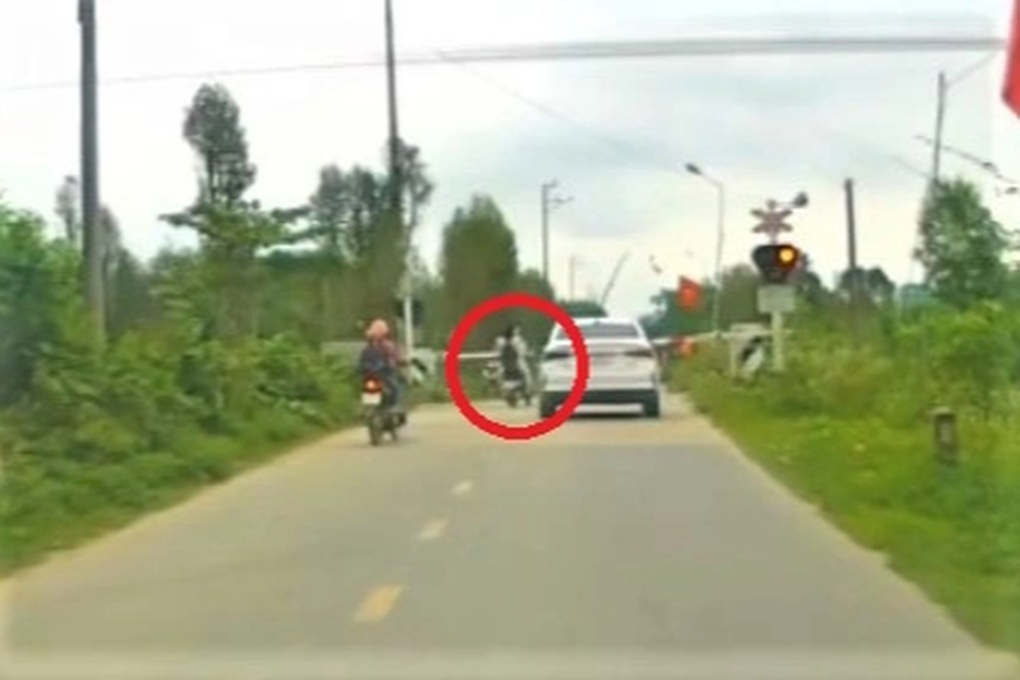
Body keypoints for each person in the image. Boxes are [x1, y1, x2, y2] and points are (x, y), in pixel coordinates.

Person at [359, 318, 406, 417]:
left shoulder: (368, 348)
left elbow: (361, 363)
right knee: (397, 385)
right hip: (384, 374)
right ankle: (395, 405)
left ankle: (369, 407)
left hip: (370, 375)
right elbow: (396, 359)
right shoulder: (388, 346)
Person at [494, 323, 532, 393]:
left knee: (499, 374)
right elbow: (522, 352)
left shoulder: (500, 341)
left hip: (505, 362)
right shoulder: (517, 340)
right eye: (516, 332)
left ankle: (503, 389)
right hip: (515, 362)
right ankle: (527, 391)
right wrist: (527, 353)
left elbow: (497, 351)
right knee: (527, 374)